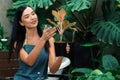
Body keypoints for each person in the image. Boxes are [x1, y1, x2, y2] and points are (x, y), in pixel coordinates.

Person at [9, 5, 70, 80]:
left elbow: (53, 70)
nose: (32, 18)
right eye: (27, 16)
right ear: (21, 23)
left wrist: (62, 54)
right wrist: (43, 39)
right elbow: (29, 61)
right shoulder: (18, 42)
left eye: (33, 14)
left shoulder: (49, 39)